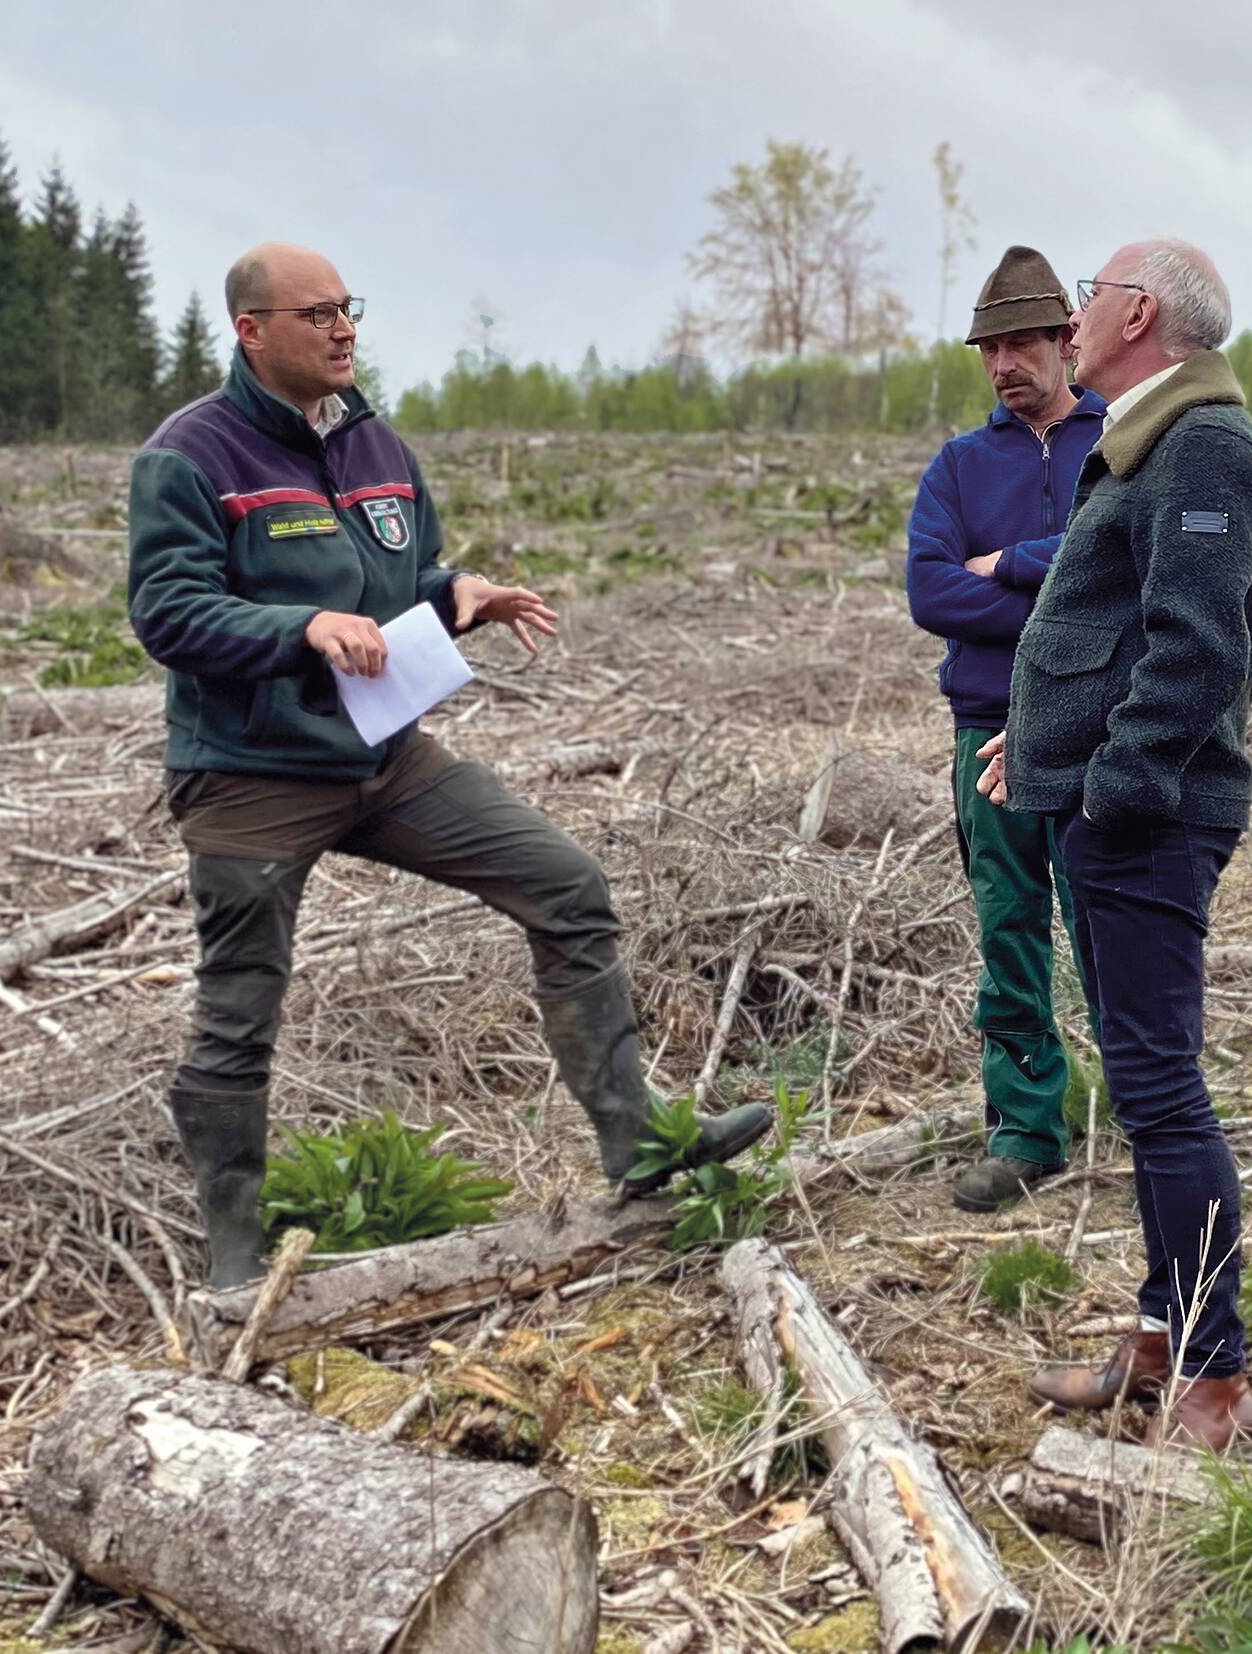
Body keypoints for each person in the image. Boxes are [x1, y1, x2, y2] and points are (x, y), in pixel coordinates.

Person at [128, 241, 771, 1288]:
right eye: (315, 314)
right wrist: (304, 628)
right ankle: (234, 1251)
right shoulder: (189, 456)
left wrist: (456, 591)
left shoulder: (376, 443)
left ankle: (638, 1144)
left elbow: (397, 581)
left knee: (566, 885)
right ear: (250, 332)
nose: (343, 329)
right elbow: (168, 611)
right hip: (249, 774)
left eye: (349, 309)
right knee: (239, 1004)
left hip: (383, 756)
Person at [978, 239, 1252, 1450]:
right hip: (1111, 808)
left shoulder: (1204, 444)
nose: (1070, 313)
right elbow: (1107, 632)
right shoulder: (1153, 433)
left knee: (1159, 1091)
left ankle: (1214, 1376)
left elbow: (1195, 645)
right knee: (1148, 1088)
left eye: (1090, 294)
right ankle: (1163, 1334)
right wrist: (1043, 751)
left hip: (1146, 824)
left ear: (1138, 311)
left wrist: (1110, 788)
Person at [905, 246, 1108, 1214]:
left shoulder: (1120, 446)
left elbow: (1123, 573)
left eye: (1022, 342)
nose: (1003, 365)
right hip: (984, 725)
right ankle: (1026, 1125)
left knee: (1113, 919)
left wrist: (1011, 563)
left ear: (1069, 340)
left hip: (1099, 729)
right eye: (989, 348)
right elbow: (929, 591)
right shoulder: (958, 464)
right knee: (1009, 923)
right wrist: (1062, 585)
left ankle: (1151, 1112)